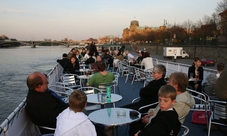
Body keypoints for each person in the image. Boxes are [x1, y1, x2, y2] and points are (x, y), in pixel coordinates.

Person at [129, 72, 195, 136]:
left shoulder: (180, 103)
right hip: (156, 122)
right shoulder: (170, 98)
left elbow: (164, 123)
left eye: (170, 81)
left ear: (176, 85)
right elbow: (159, 110)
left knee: (133, 128)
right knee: (134, 123)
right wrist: (150, 113)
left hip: (159, 128)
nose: (168, 83)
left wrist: (149, 120)